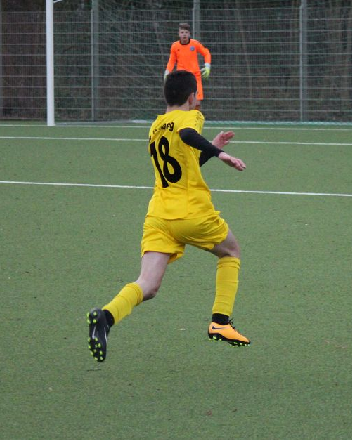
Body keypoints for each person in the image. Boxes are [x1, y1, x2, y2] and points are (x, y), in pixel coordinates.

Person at [87, 69, 249, 362]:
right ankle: (220, 322)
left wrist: (212, 148)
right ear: (192, 97)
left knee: (147, 285)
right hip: (190, 211)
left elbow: (183, 165)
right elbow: (187, 134)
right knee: (231, 252)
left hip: (159, 216)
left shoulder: (155, 127)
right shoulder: (191, 117)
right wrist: (221, 154)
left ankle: (106, 317)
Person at [164, 22, 211, 111]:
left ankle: (195, 119)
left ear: (189, 34)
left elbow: (206, 53)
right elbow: (171, 61)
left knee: (196, 103)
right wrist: (167, 71)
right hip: (181, 78)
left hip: (195, 77)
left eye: (186, 32)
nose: (184, 34)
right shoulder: (175, 46)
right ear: (179, 34)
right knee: (182, 102)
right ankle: (183, 119)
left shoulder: (195, 44)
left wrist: (207, 66)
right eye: (182, 32)